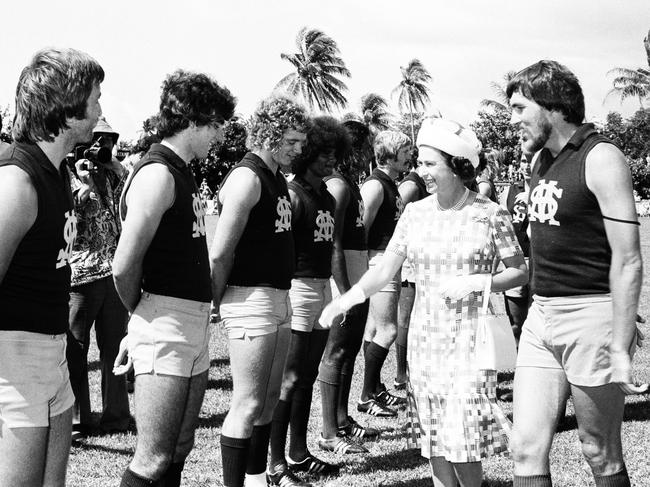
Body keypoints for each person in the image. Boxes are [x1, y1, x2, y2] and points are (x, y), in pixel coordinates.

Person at [320, 117, 527, 487]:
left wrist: (478, 282)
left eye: (431, 164)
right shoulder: (415, 213)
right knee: (435, 439)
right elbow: (384, 271)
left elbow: (519, 271)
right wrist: (345, 300)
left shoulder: (489, 213)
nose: (421, 171)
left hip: (470, 342)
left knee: (463, 437)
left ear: (457, 164)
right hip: (425, 340)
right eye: (419, 162)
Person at [507, 60, 645, 487]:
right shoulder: (540, 162)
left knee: (598, 449)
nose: (513, 121)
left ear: (550, 106)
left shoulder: (601, 157)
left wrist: (620, 345)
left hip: (591, 316)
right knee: (525, 448)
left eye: (518, 108)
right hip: (540, 317)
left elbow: (628, 259)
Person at [112, 69, 236, 487]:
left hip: (191, 321)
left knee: (179, 449)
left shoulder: (182, 170)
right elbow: (123, 266)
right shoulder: (157, 174)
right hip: (165, 321)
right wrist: (144, 314)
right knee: (152, 457)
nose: (219, 136)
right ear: (194, 120)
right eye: (216, 125)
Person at [0, 47, 104, 487]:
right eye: (95, 97)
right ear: (66, 106)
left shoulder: (56, 171)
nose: (100, 108)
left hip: (52, 353)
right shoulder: (16, 181)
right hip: (14, 360)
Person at [210, 95, 309, 487]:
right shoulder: (246, 177)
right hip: (250, 299)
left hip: (277, 297)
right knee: (247, 403)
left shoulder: (275, 179)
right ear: (268, 133)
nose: (298, 149)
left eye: (301, 141)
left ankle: (255, 478)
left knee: (269, 399)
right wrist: (214, 304)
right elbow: (220, 253)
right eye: (291, 140)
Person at [267, 116, 350, 485]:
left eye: (334, 154)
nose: (329, 161)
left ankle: (298, 454)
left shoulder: (327, 196)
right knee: (290, 379)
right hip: (297, 289)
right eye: (322, 153)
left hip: (319, 289)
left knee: (307, 376)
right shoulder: (292, 194)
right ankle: (275, 464)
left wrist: (339, 292)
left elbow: (330, 248)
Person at [317, 113, 380, 452]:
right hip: (345, 280)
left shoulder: (351, 184)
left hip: (358, 277)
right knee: (335, 353)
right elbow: (334, 244)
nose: (370, 153)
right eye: (366, 147)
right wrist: (344, 292)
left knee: (349, 351)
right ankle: (329, 432)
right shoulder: (339, 186)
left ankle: (341, 420)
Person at [66, 117, 130, 438]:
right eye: (96, 140)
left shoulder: (108, 174)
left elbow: (129, 194)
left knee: (114, 346)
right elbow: (71, 209)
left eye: (107, 140)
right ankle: (80, 419)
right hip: (81, 272)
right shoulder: (66, 170)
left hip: (111, 270)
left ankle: (117, 415)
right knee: (76, 349)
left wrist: (113, 163)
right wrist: (85, 183)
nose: (100, 147)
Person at [358, 129, 411, 417]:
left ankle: (375, 388)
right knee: (388, 329)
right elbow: (361, 230)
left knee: (374, 328)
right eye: (404, 151)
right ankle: (367, 394)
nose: (409, 156)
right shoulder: (375, 186)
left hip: (387, 260)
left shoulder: (390, 183)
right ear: (390, 154)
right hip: (379, 261)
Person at [395, 157, 429, 389]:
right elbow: (396, 224)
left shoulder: (425, 185)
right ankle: (400, 374)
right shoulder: (411, 186)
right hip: (409, 264)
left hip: (426, 262)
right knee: (405, 320)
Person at [499, 151, 533, 347]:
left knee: (540, 319)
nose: (527, 165)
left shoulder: (548, 187)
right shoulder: (510, 191)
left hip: (540, 261)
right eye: (523, 161)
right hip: (516, 261)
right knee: (516, 323)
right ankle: (520, 363)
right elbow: (503, 227)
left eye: (530, 161)